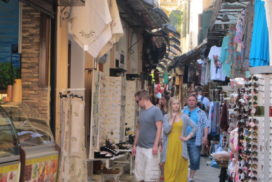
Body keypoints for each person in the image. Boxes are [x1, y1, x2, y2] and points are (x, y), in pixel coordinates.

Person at [161, 97, 197, 182]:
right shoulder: (166, 117)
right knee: (169, 170)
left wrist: (187, 137)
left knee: (180, 171)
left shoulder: (184, 117)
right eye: (174, 104)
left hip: (181, 147)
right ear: (170, 105)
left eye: (177, 103)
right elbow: (166, 130)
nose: (176, 106)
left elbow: (195, 127)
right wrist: (172, 119)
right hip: (169, 147)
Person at [133, 90, 163, 182]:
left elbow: (159, 128)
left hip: (150, 148)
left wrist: (155, 145)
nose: (137, 103)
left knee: (150, 176)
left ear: (143, 99)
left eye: (137, 101)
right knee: (139, 175)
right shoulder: (141, 111)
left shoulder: (156, 110)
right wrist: (134, 145)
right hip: (140, 148)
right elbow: (139, 128)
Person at [183, 95, 209, 182]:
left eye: (193, 100)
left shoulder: (201, 113)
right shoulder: (182, 111)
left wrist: (205, 136)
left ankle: (190, 177)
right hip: (182, 138)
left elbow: (206, 125)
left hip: (195, 139)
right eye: (189, 100)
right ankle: (182, 175)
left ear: (196, 101)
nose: (191, 102)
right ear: (187, 101)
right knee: (182, 158)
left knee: (195, 159)